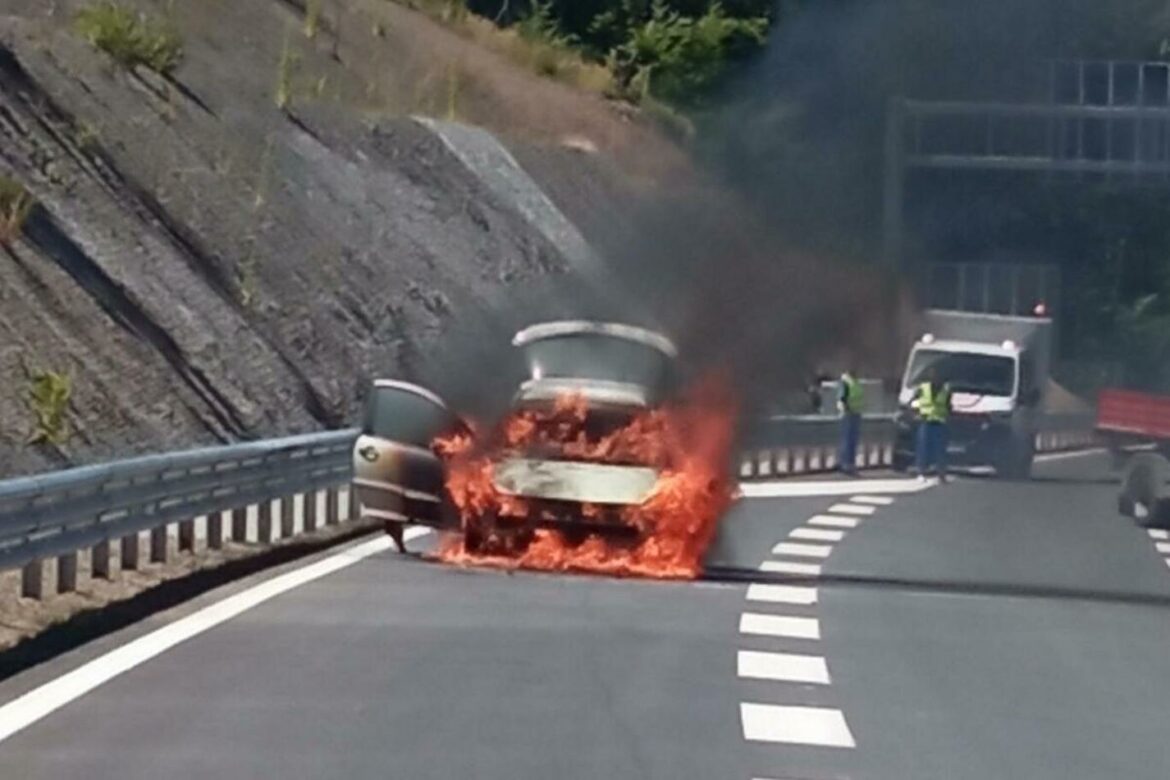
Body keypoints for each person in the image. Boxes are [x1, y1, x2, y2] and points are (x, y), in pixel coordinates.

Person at [911, 367, 952, 481]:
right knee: (923, 448)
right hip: (925, 421)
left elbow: (949, 406)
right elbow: (913, 402)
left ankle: (941, 474)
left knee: (940, 450)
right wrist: (916, 413)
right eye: (933, 376)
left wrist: (947, 416)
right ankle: (921, 472)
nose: (935, 379)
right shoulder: (922, 388)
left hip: (939, 422)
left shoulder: (945, 390)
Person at [837, 368, 864, 475]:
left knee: (852, 441)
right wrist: (845, 410)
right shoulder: (846, 383)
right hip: (849, 414)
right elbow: (842, 399)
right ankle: (846, 464)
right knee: (848, 440)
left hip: (855, 414)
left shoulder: (855, 383)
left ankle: (849, 464)